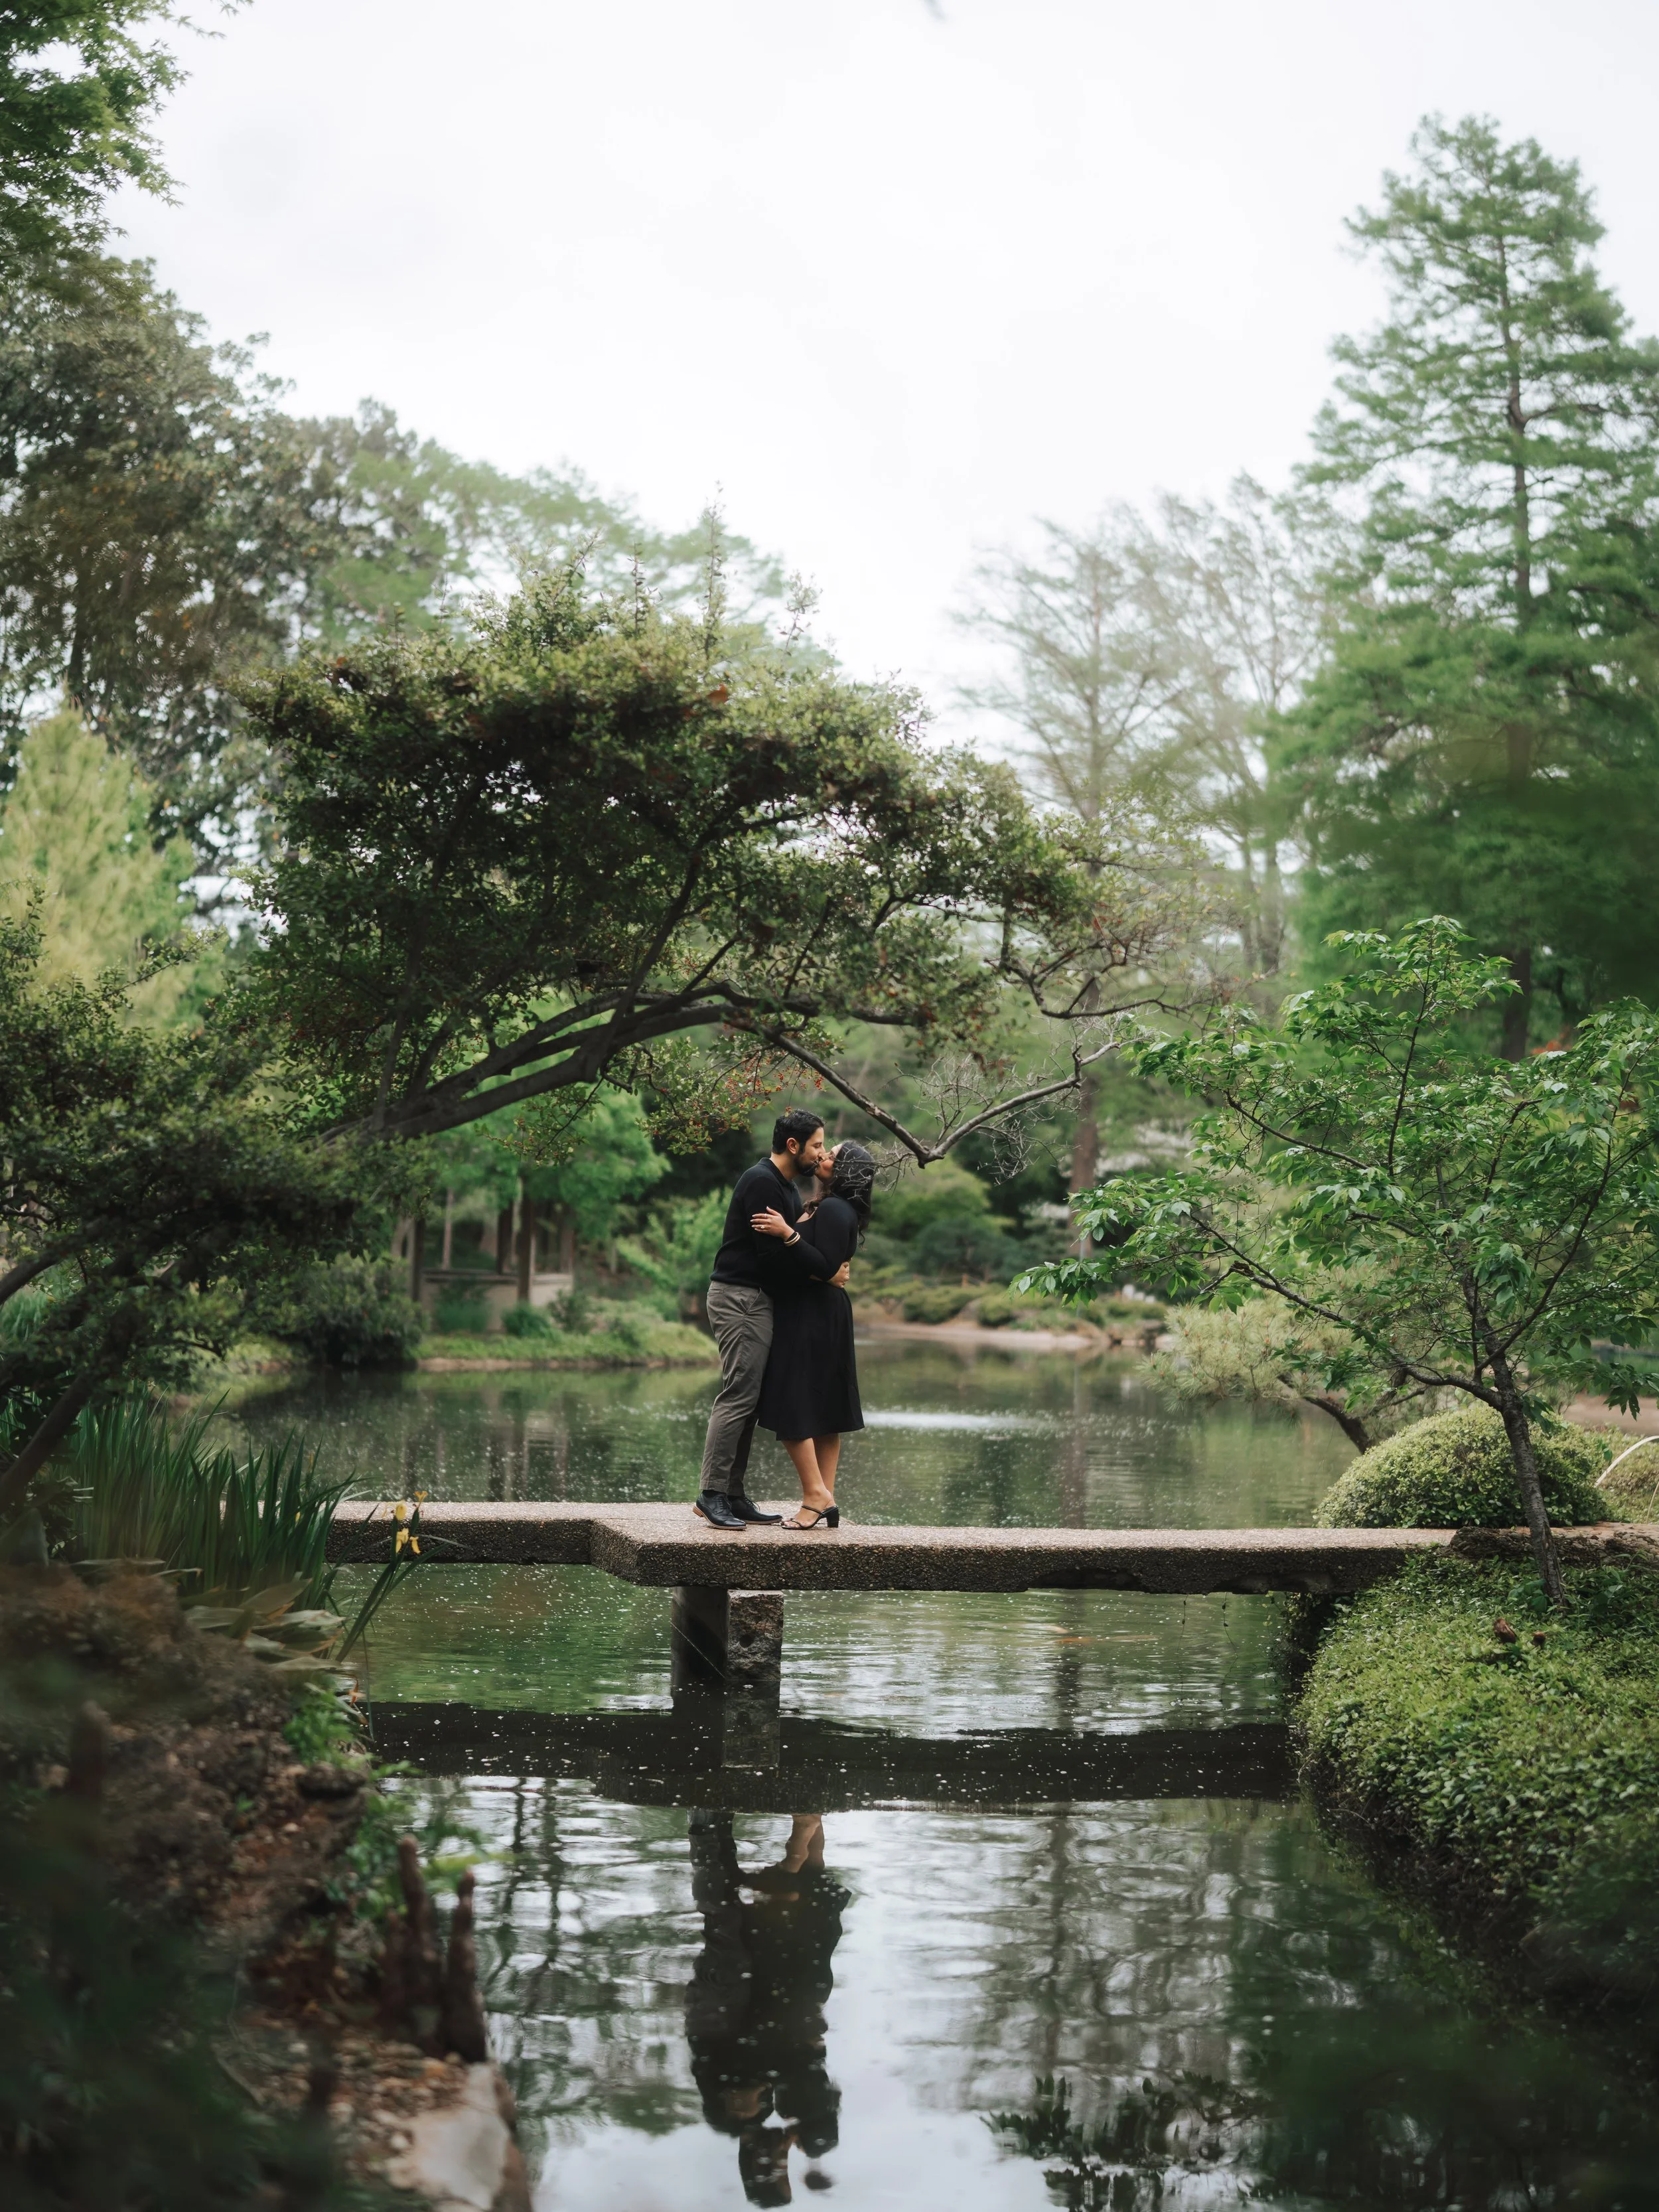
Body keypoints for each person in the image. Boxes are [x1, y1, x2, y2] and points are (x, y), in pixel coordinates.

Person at [684, 1809, 845, 2205]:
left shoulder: (732, 2116)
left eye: (775, 2168)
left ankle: (710, 1826)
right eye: (785, 2167)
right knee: (811, 1946)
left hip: (725, 2007)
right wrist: (813, 2131)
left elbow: (732, 2052)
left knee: (728, 1932)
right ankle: (809, 1821)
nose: (783, 2159)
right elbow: (806, 2062)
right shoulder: (783, 2111)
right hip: (768, 2005)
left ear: (758, 2166)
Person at [697, 1109, 839, 1530]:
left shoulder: (786, 1189)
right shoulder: (762, 1182)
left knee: (751, 1399)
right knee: (739, 1394)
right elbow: (773, 1258)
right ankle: (711, 1494)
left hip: (757, 1300)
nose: (820, 1153)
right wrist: (821, 1270)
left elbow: (789, 1251)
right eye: (816, 1145)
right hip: (740, 1297)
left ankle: (733, 1495)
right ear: (793, 1146)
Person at [751, 1141, 875, 1529]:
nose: (824, 1157)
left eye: (833, 1155)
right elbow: (823, 1265)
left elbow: (824, 1266)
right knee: (822, 1409)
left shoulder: (838, 1208)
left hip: (815, 1314)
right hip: (811, 1310)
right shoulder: (825, 1205)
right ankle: (824, 1498)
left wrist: (788, 1234)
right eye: (825, 1150)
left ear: (847, 1171)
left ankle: (816, 1495)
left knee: (793, 1405)